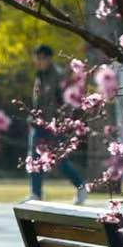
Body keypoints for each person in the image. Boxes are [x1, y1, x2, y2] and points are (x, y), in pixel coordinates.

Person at [24, 46, 89, 204]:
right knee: (35, 159)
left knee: (60, 161)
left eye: (41, 58)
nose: (38, 61)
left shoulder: (58, 76)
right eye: (36, 58)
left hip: (53, 126)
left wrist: (60, 123)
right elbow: (38, 102)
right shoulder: (40, 76)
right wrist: (32, 117)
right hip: (38, 126)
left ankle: (81, 187)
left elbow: (66, 104)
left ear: (48, 58)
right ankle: (36, 194)